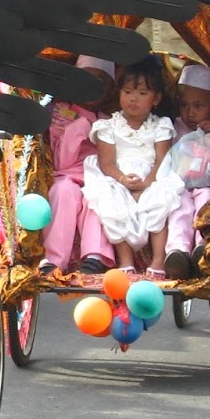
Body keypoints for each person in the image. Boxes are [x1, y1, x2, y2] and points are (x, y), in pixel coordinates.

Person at [80, 57, 184, 277]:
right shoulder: (107, 127)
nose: (133, 99)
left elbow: (162, 160)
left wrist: (147, 184)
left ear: (156, 99)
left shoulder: (161, 126)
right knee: (113, 201)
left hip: (154, 176)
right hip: (117, 176)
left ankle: (158, 260)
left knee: (161, 199)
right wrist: (123, 181)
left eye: (142, 93)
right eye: (127, 92)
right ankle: (125, 261)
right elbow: (107, 164)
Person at [38, 56, 117, 275]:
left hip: (99, 177)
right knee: (62, 192)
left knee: (99, 197)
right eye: (85, 80)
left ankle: (95, 256)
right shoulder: (60, 113)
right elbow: (62, 160)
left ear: (110, 89)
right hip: (66, 173)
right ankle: (54, 259)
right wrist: (82, 125)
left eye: (100, 82)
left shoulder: (111, 119)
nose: (91, 88)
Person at [162, 63, 210, 280]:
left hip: (207, 186)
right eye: (184, 105)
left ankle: (202, 247)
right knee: (179, 207)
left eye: (198, 106)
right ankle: (177, 252)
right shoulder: (174, 126)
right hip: (179, 185)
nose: (190, 113)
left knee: (205, 202)